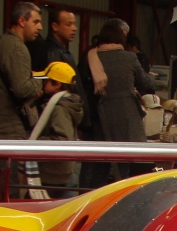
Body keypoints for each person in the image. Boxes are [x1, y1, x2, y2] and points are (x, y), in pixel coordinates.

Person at [80, 19, 155, 187]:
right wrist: (151, 77)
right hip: (127, 118)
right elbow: (145, 84)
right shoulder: (130, 57)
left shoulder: (92, 57)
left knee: (101, 168)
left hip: (101, 119)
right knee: (127, 166)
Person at [0, 2, 44, 197]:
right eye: (36, 22)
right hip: (7, 130)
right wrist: (40, 83)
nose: (40, 27)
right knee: (9, 188)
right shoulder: (16, 47)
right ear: (22, 21)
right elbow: (21, 88)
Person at [32, 62, 84, 198]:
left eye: (47, 80)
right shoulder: (68, 104)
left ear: (57, 84)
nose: (44, 83)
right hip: (65, 170)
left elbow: (62, 139)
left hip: (54, 174)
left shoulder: (59, 109)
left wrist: (36, 141)